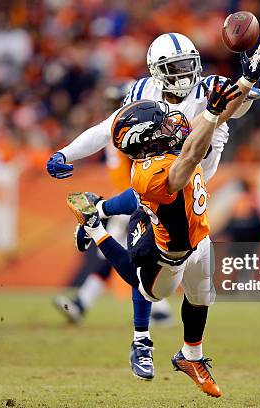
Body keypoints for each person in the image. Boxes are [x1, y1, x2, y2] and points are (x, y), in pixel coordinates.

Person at [47, 32, 260, 380]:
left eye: (188, 66)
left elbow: (232, 106)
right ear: (156, 71)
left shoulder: (208, 89)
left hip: (189, 190)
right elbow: (109, 129)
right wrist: (66, 152)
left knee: (200, 288)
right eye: (175, 67)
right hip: (161, 178)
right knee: (150, 274)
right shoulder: (142, 94)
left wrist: (246, 84)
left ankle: (98, 216)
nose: (184, 74)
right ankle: (141, 342)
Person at [67, 77, 241, 396]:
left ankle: (191, 357)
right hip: (171, 254)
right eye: (161, 126)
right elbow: (192, 154)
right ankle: (94, 228)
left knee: (202, 297)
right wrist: (214, 112)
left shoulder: (166, 154)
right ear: (148, 138)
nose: (171, 125)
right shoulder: (157, 168)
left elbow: (203, 134)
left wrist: (244, 82)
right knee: (142, 284)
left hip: (198, 238)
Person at [54, 80, 175, 327]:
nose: (113, 108)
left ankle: (159, 310)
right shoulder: (118, 132)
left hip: (137, 201)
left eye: (117, 102)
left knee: (121, 255)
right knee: (114, 256)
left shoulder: (136, 134)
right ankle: (83, 304)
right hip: (126, 201)